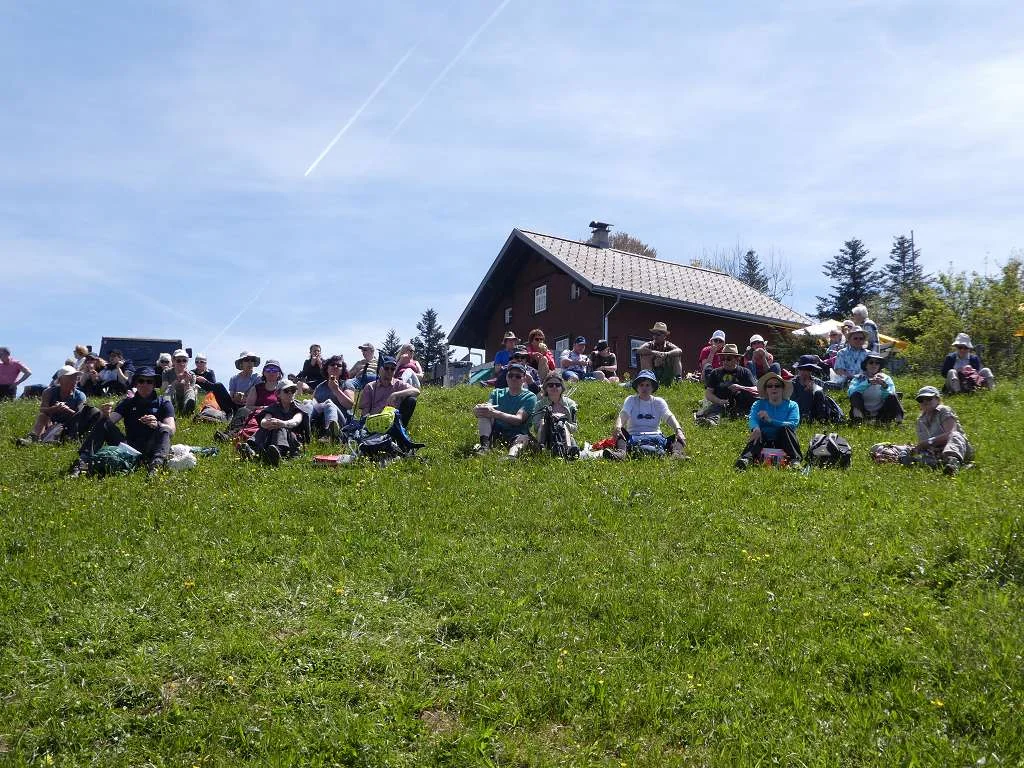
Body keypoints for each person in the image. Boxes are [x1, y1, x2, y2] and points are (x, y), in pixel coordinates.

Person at [69, 367, 175, 477]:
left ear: (154, 384)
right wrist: (104, 414)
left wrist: (157, 424)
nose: (145, 384)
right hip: (129, 447)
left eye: (149, 381)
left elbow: (171, 429)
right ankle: (82, 462)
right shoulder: (128, 403)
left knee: (164, 429)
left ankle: (156, 467)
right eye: (141, 381)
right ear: (136, 384)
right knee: (104, 423)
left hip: (153, 447)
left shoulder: (164, 403)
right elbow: (110, 421)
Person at [609, 369, 686, 458]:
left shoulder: (659, 401)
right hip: (635, 437)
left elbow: (668, 416)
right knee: (620, 432)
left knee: (679, 435)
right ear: (637, 387)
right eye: (641, 385)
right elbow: (623, 414)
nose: (644, 388)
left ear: (652, 387)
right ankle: (621, 453)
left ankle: (677, 454)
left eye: (647, 385)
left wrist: (678, 430)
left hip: (657, 438)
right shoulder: (631, 400)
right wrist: (618, 427)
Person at [14, 365, 99, 446]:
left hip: (69, 425)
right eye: (70, 377)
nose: (74, 380)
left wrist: (66, 409)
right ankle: (33, 437)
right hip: (50, 423)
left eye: (75, 377)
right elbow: (43, 409)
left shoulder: (80, 395)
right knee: (43, 416)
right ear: (61, 380)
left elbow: (80, 416)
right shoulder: (49, 392)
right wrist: (55, 408)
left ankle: (50, 439)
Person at [735, 372, 802, 470]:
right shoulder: (758, 404)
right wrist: (755, 427)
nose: (773, 388)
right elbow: (752, 418)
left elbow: (793, 424)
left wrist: (770, 420)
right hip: (763, 440)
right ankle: (746, 459)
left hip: (784, 442)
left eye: (777, 385)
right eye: (769, 386)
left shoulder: (792, 405)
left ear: (782, 388)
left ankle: (794, 460)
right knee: (758, 431)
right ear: (766, 390)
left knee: (786, 428)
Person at [472, 362, 537, 458]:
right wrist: (479, 410)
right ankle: (485, 446)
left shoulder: (530, 397)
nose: (513, 378)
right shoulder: (496, 392)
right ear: (506, 377)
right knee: (484, 413)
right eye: (510, 375)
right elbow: (489, 407)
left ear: (524, 379)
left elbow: (518, 420)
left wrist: (495, 413)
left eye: (518, 376)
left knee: (522, 439)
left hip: (517, 432)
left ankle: (511, 457)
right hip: (497, 431)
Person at [238, 380, 305, 466]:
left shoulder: (297, 407)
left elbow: (295, 421)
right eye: (286, 391)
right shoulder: (273, 407)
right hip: (272, 438)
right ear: (278, 394)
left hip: (292, 439)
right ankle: (252, 450)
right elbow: (264, 421)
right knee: (265, 428)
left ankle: (278, 453)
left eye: (293, 391)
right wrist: (268, 423)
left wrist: (283, 423)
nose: (290, 393)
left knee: (280, 428)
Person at [913, 385, 974, 475]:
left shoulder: (943, 410)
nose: (925, 402)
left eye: (929, 398)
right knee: (909, 452)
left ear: (937, 399)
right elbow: (923, 444)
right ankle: (944, 465)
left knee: (955, 435)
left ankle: (953, 463)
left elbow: (950, 433)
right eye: (921, 400)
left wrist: (928, 442)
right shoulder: (920, 420)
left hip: (958, 449)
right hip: (936, 451)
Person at [695, 344, 758, 425]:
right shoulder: (715, 372)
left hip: (741, 404)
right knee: (715, 411)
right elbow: (708, 393)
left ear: (737, 359)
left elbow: (755, 390)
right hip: (720, 404)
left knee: (746, 410)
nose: (724, 361)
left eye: (728, 359)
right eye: (722, 359)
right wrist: (720, 401)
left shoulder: (745, 372)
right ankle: (710, 422)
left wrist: (740, 387)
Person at [358, 356, 420, 428]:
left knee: (411, 400)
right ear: (380, 369)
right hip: (375, 422)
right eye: (386, 368)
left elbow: (416, 391)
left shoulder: (398, 384)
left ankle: (401, 429)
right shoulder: (370, 387)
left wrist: (395, 394)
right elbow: (364, 412)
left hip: (393, 422)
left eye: (392, 369)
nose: (389, 371)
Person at [848, 352, 903, 424]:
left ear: (880, 366)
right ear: (866, 365)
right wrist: (867, 382)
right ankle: (859, 421)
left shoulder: (886, 378)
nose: (874, 365)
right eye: (871, 362)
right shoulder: (858, 378)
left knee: (893, 396)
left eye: (877, 363)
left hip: (882, 411)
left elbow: (891, 394)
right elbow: (851, 393)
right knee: (855, 394)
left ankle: (899, 422)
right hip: (862, 409)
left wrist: (884, 386)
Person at [308, 355, 355, 440]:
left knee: (329, 404)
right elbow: (314, 405)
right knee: (307, 403)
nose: (335, 366)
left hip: (341, 421)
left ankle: (331, 433)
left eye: (339, 365)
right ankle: (305, 431)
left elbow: (349, 405)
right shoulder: (320, 387)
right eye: (332, 364)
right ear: (327, 368)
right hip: (320, 420)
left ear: (342, 371)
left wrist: (336, 389)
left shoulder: (346, 384)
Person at [637, 322, 683, 386]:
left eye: (658, 334)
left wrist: (667, 354)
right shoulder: (650, 344)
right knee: (645, 355)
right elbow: (639, 350)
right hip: (652, 371)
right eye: (654, 334)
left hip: (666, 373)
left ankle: (678, 379)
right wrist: (653, 353)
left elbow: (679, 351)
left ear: (664, 336)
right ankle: (647, 380)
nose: (655, 337)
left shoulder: (668, 345)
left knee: (676, 355)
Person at [790, 355, 831, 423]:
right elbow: (792, 403)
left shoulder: (816, 381)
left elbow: (828, 390)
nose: (805, 372)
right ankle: (805, 419)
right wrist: (806, 392)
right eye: (802, 369)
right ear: (798, 369)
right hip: (798, 413)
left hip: (815, 412)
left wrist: (814, 388)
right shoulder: (793, 383)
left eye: (808, 369)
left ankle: (822, 419)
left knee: (819, 392)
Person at [162, 349, 198, 416]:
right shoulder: (167, 372)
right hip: (173, 397)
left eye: (184, 360)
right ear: (173, 361)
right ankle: (167, 407)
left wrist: (187, 382)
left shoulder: (192, 374)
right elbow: (164, 388)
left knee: (190, 390)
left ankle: (187, 409)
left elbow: (191, 390)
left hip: (184, 398)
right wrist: (177, 380)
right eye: (178, 360)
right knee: (169, 388)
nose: (182, 363)